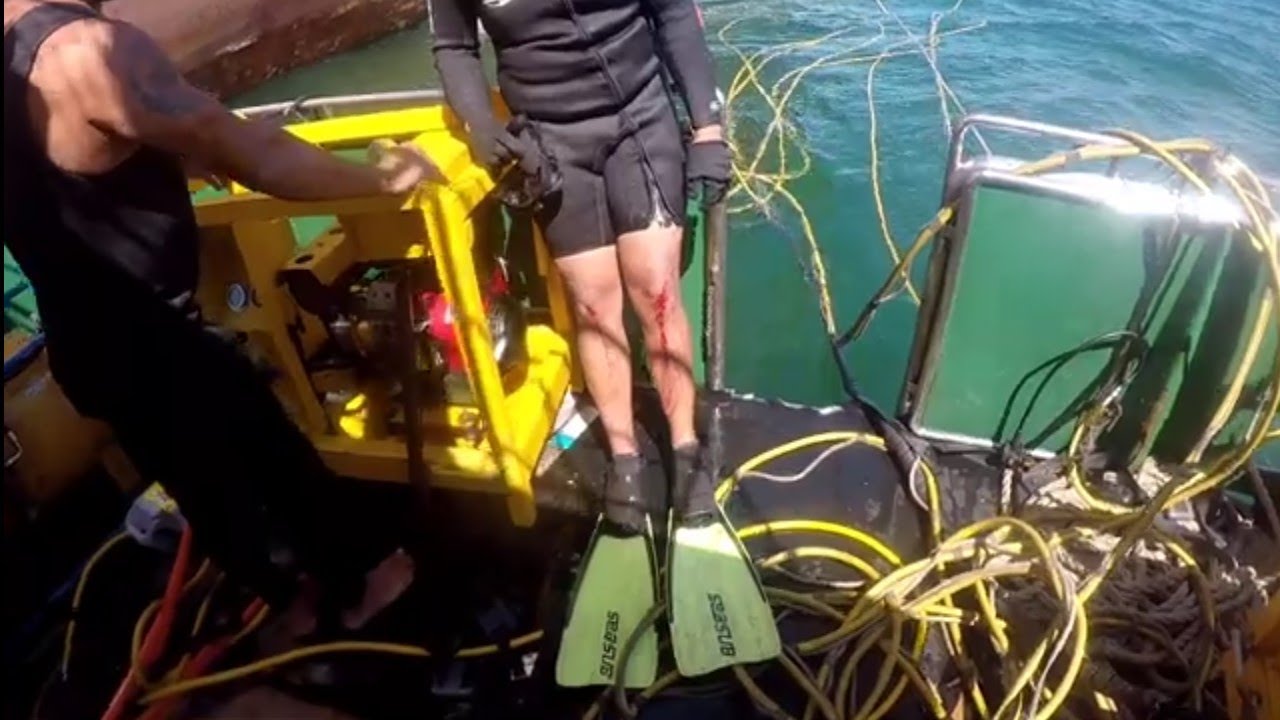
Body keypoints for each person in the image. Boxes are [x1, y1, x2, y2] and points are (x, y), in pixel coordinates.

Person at [3, 0, 441, 636]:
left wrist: (171, 151)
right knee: (274, 458)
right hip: (161, 342)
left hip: (84, 350)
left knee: (204, 493)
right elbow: (255, 152)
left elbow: (68, 167)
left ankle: (286, 601)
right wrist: (378, 179)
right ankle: (363, 592)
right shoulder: (90, 51)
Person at [430, 0, 732, 493]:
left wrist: (708, 129)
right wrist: (481, 125)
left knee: (656, 293)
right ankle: (625, 459)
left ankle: (685, 446)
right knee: (592, 305)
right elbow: (454, 45)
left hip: (641, 121)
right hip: (551, 141)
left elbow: (675, 14)